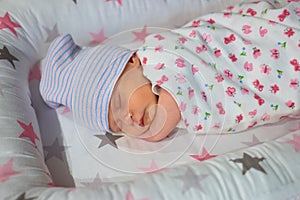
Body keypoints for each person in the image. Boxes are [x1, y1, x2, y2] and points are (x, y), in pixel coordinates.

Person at [40, 1, 300, 142]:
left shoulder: (158, 53)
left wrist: (154, 134)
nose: (127, 117)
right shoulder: (148, 85)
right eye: (117, 124)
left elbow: (179, 89)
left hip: (264, 47)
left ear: (131, 62)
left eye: (118, 101)